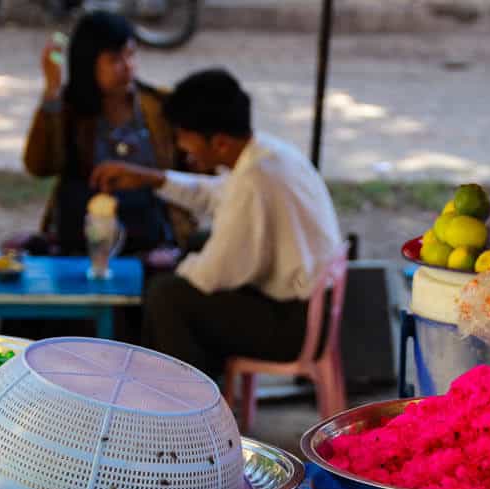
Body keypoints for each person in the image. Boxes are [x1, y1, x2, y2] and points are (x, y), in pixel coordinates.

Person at [90, 68, 343, 377]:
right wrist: (152, 179)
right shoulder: (266, 153)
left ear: (220, 143)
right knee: (189, 259)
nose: (183, 148)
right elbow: (215, 195)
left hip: (294, 327)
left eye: (186, 138)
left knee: (167, 297)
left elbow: (214, 275)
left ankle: (185, 406)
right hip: (313, 309)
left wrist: (173, 265)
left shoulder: (255, 180)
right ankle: (177, 389)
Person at [1, 11, 194, 341]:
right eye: (115, 59)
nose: (128, 67)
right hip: (82, 239)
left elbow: (192, 173)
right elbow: (39, 165)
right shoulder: (71, 110)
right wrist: (51, 92)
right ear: (89, 63)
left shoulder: (159, 106)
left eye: (131, 55)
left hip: (150, 237)